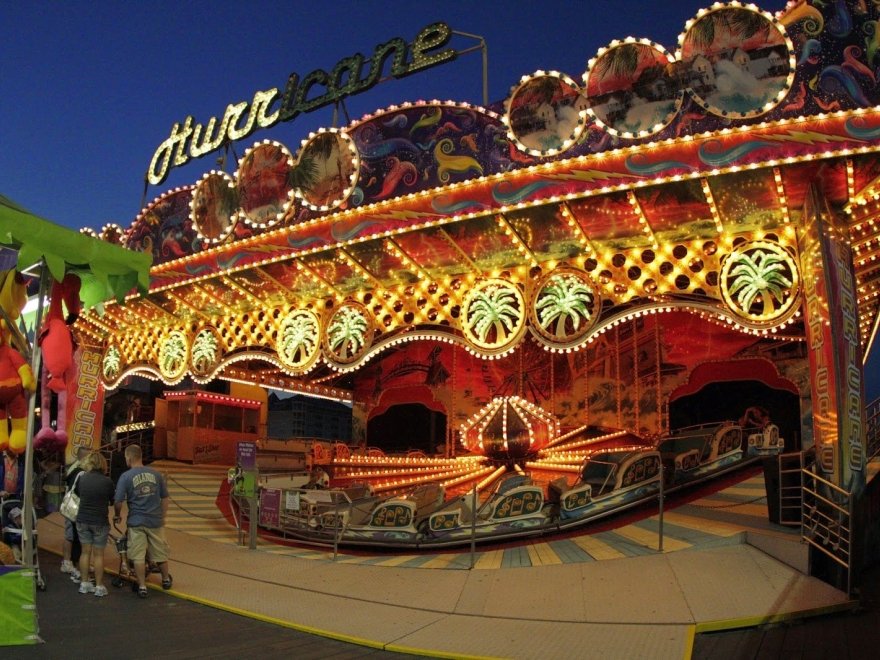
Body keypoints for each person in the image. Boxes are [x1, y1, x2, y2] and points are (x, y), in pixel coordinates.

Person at [114, 444, 172, 598]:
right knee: (160, 552)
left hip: (136, 522)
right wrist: (162, 516)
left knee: (138, 555)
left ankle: (142, 586)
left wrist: (117, 515)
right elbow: (165, 498)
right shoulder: (156, 474)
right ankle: (166, 579)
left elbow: (118, 501)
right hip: (155, 521)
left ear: (129, 458)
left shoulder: (125, 477)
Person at [74, 451, 114, 597]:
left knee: (85, 552)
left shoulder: (82, 478)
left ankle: (84, 584)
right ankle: (99, 586)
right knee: (98, 555)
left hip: (83, 519)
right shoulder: (107, 481)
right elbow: (112, 500)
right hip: (100, 521)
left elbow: (78, 494)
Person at [61, 447, 88, 579]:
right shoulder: (80, 472)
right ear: (85, 457)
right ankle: (67, 562)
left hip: (70, 508)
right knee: (70, 536)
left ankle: (70, 561)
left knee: (71, 535)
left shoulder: (73, 467)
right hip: (74, 509)